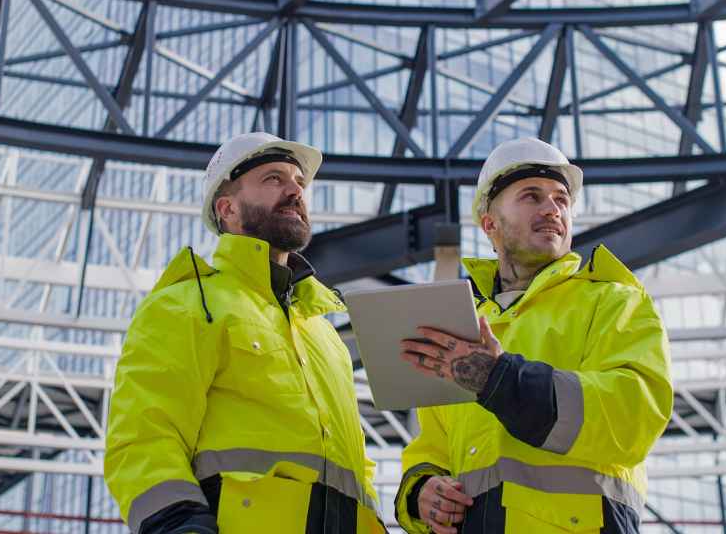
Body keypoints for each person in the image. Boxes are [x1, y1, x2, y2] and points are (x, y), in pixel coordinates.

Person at [105, 133, 384, 534]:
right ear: (227, 208)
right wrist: (178, 525)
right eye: (273, 179)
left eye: (299, 182)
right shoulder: (185, 304)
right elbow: (143, 437)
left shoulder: (323, 333)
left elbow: (358, 469)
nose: (294, 190)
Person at [395, 137, 673, 534]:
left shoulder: (614, 301)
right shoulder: (461, 327)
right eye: (531, 196)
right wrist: (423, 492)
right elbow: (432, 445)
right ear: (490, 224)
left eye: (561, 199)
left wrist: (501, 380)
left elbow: (632, 418)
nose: (552, 209)